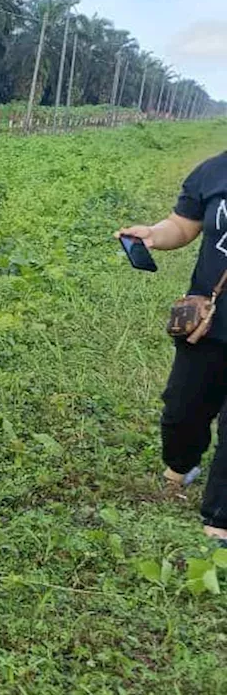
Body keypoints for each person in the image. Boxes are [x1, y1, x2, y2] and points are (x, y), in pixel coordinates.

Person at [118, 148, 227, 546]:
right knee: (181, 408)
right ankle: (182, 464)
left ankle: (220, 518)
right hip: (208, 320)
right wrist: (152, 235)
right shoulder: (215, 171)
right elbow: (182, 226)